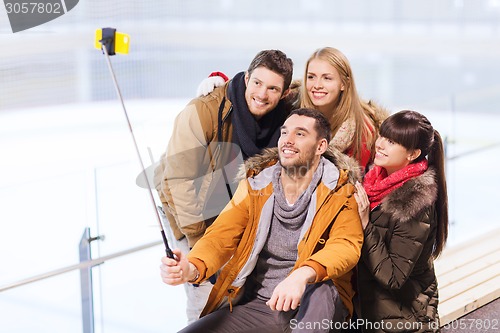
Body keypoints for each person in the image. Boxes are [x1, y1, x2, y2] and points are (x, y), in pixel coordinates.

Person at [160, 108, 364, 333]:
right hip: (261, 307)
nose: (287, 140)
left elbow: (346, 245)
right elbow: (220, 236)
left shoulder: (340, 189)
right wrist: (192, 267)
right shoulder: (256, 185)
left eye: (300, 134)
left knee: (322, 289)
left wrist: (302, 274)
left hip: (314, 303)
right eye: (284, 132)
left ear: (320, 146)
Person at [154, 49, 294, 323]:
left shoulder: (283, 120)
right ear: (246, 78)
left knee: (237, 294)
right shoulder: (202, 111)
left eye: (273, 88)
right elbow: (179, 181)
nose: (262, 94)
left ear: (284, 93)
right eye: (257, 83)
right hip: (190, 214)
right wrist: (199, 246)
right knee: (205, 293)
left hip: (235, 214)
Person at [197, 47, 388, 171]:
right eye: (311, 77)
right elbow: (258, 89)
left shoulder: (362, 131)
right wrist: (220, 84)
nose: (317, 85)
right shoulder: (291, 102)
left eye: (327, 78)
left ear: (344, 84)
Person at [353, 110, 448, 332]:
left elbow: (393, 277)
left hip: (403, 319)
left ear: (413, 153)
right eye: (383, 136)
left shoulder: (414, 204)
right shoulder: (374, 180)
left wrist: (366, 224)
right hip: (370, 308)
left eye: (392, 141)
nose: (381, 144)